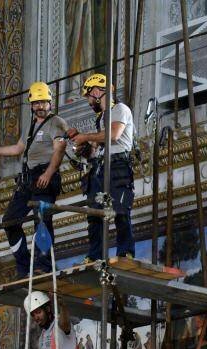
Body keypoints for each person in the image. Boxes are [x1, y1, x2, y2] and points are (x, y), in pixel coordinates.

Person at [0, 82, 68, 279]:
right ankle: (25, 266)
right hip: (28, 181)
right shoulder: (31, 125)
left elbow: (60, 149)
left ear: (50, 103)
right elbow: (18, 149)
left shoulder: (57, 122)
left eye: (43, 102)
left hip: (44, 177)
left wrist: (48, 174)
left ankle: (43, 266)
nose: (40, 106)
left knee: (42, 220)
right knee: (9, 221)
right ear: (31, 105)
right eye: (36, 103)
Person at [68, 73, 137, 261]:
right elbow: (96, 149)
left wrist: (85, 137)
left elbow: (113, 135)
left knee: (120, 210)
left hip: (117, 167)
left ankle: (125, 252)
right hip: (100, 168)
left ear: (97, 92)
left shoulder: (120, 109)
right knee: (94, 213)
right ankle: (95, 255)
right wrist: (84, 148)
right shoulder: (101, 118)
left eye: (89, 96)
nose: (89, 101)